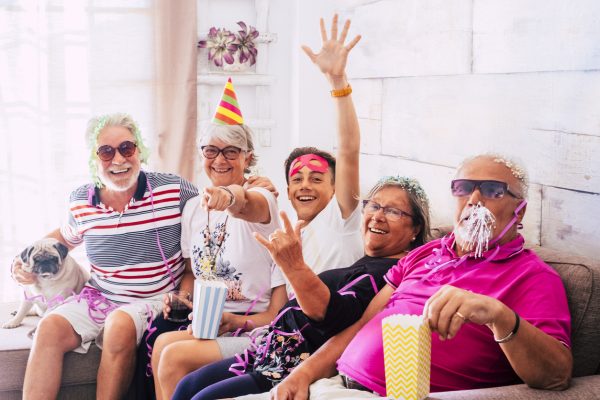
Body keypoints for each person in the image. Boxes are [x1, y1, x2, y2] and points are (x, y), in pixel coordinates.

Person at [271, 154, 573, 399]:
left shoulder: (534, 276)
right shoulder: (425, 253)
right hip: (335, 385)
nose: (474, 199)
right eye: (464, 188)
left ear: (519, 212)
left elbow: (557, 376)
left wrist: (499, 316)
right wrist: (303, 374)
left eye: (493, 190)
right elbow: (361, 325)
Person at [170, 175, 431, 400]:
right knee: (187, 386)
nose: (378, 216)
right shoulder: (370, 261)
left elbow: (333, 316)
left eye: (393, 211)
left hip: (288, 364)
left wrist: (294, 266)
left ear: (415, 229)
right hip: (265, 351)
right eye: (373, 205)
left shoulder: (387, 274)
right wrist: (238, 321)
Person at [10, 112, 199, 399]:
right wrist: (19, 263)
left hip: (151, 300)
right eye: (106, 152)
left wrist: (251, 189)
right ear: (93, 159)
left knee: (119, 324)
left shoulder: (174, 190)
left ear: (139, 150)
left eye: (126, 148)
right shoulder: (81, 201)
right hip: (100, 298)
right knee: (49, 327)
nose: (119, 160)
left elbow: (212, 213)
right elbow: (63, 238)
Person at [149, 78, 288, 400]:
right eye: (211, 150)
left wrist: (227, 196)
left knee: (173, 356)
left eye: (231, 151)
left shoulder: (264, 198)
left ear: (248, 157)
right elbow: (192, 273)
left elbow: (244, 202)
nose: (220, 159)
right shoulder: (193, 208)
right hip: (208, 321)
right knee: (161, 345)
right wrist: (182, 299)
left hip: (255, 326)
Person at [282, 14, 364, 286]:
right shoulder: (291, 237)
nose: (305, 186)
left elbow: (349, 149)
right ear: (288, 192)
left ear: (334, 189)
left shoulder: (340, 217)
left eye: (316, 179)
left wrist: (337, 82)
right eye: (297, 180)